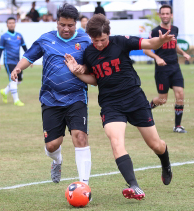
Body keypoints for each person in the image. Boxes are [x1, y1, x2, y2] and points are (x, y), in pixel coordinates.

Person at [64, 14, 174, 200]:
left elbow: (151, 44)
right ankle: (134, 185)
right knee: (116, 142)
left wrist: (160, 41)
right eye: (95, 40)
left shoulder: (121, 42)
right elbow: (95, 80)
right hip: (110, 103)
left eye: (102, 40)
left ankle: (166, 163)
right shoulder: (89, 53)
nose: (99, 44)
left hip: (134, 98)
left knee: (155, 144)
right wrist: (77, 73)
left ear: (109, 34)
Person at [11, 4, 92, 185]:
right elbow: (29, 56)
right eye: (62, 24)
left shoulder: (85, 41)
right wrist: (17, 68)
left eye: (70, 25)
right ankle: (57, 160)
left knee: (80, 137)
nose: (66, 29)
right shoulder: (46, 39)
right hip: (51, 99)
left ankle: (84, 186)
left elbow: (92, 65)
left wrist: (83, 67)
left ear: (76, 24)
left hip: (76, 98)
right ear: (57, 22)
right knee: (52, 145)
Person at [143, 5, 190, 133]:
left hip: (175, 67)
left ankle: (177, 126)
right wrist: (157, 58)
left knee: (180, 94)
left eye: (167, 13)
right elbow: (146, 49)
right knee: (162, 100)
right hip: (162, 69)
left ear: (171, 15)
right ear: (160, 15)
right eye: (162, 14)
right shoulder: (154, 31)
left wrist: (183, 53)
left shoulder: (175, 29)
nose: (165, 16)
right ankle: (145, 108)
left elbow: (174, 45)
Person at [0, 17, 29, 106]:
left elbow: (24, 47)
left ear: (15, 24)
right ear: (7, 24)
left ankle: (5, 91)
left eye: (13, 23)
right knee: (14, 79)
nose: (11, 24)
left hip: (18, 62)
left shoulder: (19, 36)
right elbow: (0, 50)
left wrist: (30, 59)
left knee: (19, 80)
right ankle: (16, 100)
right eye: (9, 23)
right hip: (8, 61)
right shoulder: (4, 37)